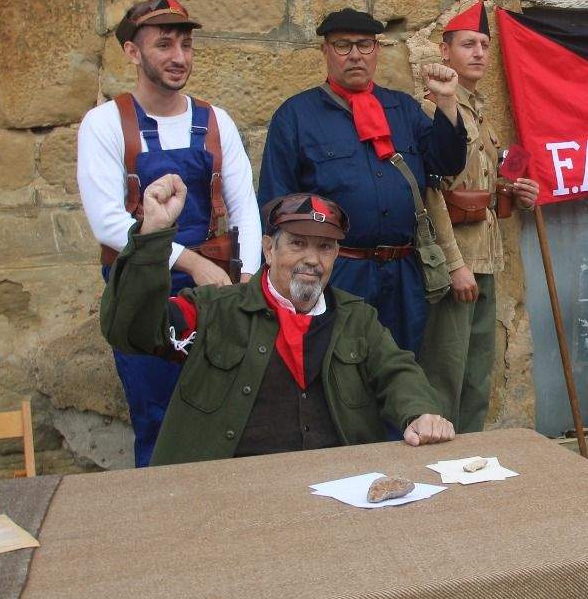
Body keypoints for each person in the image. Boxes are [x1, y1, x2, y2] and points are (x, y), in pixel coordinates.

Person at [100, 176, 455, 465]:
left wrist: (420, 413)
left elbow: (398, 371)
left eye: (326, 247)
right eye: (298, 244)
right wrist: (151, 238)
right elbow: (132, 331)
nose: (313, 260)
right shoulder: (213, 309)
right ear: (269, 250)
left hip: (340, 486)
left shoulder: (356, 318)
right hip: (224, 498)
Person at [76, 0, 262, 468]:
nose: (179, 57)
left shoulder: (216, 121)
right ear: (132, 53)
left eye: (186, 44)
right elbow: (110, 223)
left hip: (217, 289)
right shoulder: (105, 124)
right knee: (157, 418)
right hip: (144, 293)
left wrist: (248, 282)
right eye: (163, 45)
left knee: (226, 412)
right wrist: (191, 262)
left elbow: (245, 210)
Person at [257, 7, 468, 353]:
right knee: (335, 368)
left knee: (399, 368)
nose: (355, 54)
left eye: (365, 45)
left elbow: (446, 163)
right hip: (336, 273)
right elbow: (275, 204)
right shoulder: (295, 117)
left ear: (377, 51)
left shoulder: (402, 109)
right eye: (342, 45)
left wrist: (446, 102)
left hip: (403, 276)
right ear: (325, 51)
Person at [417, 2, 540, 432]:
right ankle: (438, 454)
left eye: (485, 45)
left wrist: (515, 191)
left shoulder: (479, 111)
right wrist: (453, 263)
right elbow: (432, 194)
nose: (479, 53)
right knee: (446, 370)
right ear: (444, 51)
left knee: (477, 371)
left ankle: (470, 456)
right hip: (458, 260)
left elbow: (484, 178)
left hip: (486, 257)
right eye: (468, 44)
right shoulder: (434, 110)